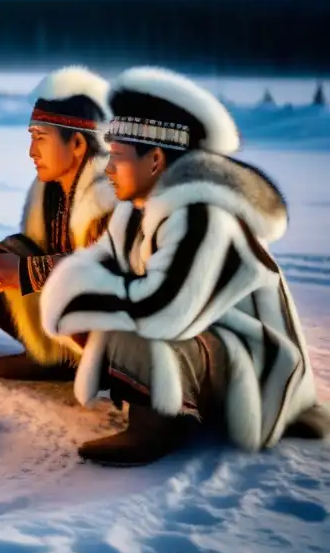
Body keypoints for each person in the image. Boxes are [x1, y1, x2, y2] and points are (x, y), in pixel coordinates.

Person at [41, 66, 329, 466]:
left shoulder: (200, 215)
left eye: (119, 158)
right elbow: (98, 263)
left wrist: (83, 292)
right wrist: (79, 289)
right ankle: (155, 401)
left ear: (156, 159)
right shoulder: (136, 211)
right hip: (205, 337)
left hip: (254, 364)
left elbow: (166, 311)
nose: (108, 170)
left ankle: (157, 425)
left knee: (132, 318)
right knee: (107, 305)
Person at [0, 66, 114, 381]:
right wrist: (4, 266)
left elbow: (107, 270)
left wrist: (25, 273)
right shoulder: (47, 191)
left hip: (115, 322)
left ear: (77, 144)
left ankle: (103, 367)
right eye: (31, 138)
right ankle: (52, 356)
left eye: (41, 139)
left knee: (26, 267)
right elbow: (34, 251)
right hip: (66, 305)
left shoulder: (109, 194)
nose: (32, 151)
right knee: (9, 252)